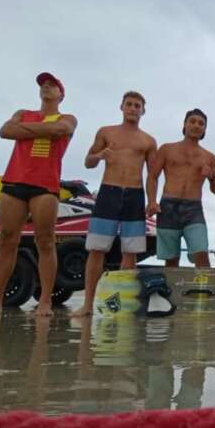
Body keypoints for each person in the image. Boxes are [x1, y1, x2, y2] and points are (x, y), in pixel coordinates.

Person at [0, 72, 77, 317]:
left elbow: (60, 129)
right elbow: (5, 131)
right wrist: (41, 129)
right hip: (15, 181)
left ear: (61, 94)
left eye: (52, 85)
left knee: (45, 241)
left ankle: (45, 302)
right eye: (43, 85)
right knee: (6, 239)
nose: (46, 87)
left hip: (45, 186)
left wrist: (24, 130)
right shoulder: (23, 112)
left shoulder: (68, 117)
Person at [71, 91, 157, 317]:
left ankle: (122, 304)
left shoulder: (148, 141)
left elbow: (152, 175)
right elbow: (88, 162)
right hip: (109, 192)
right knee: (97, 248)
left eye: (137, 105)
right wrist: (99, 155)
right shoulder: (106, 132)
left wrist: (152, 200)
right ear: (121, 107)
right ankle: (88, 304)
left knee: (131, 251)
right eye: (129, 104)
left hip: (135, 195)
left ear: (143, 111)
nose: (133, 108)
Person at [147, 108, 215, 267]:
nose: (196, 125)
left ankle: (203, 290)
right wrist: (152, 201)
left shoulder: (210, 157)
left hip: (193, 208)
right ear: (185, 125)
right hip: (168, 206)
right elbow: (153, 176)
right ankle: (174, 291)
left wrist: (211, 177)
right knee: (171, 259)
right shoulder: (167, 149)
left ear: (204, 129)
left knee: (201, 253)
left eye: (201, 123)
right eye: (192, 121)